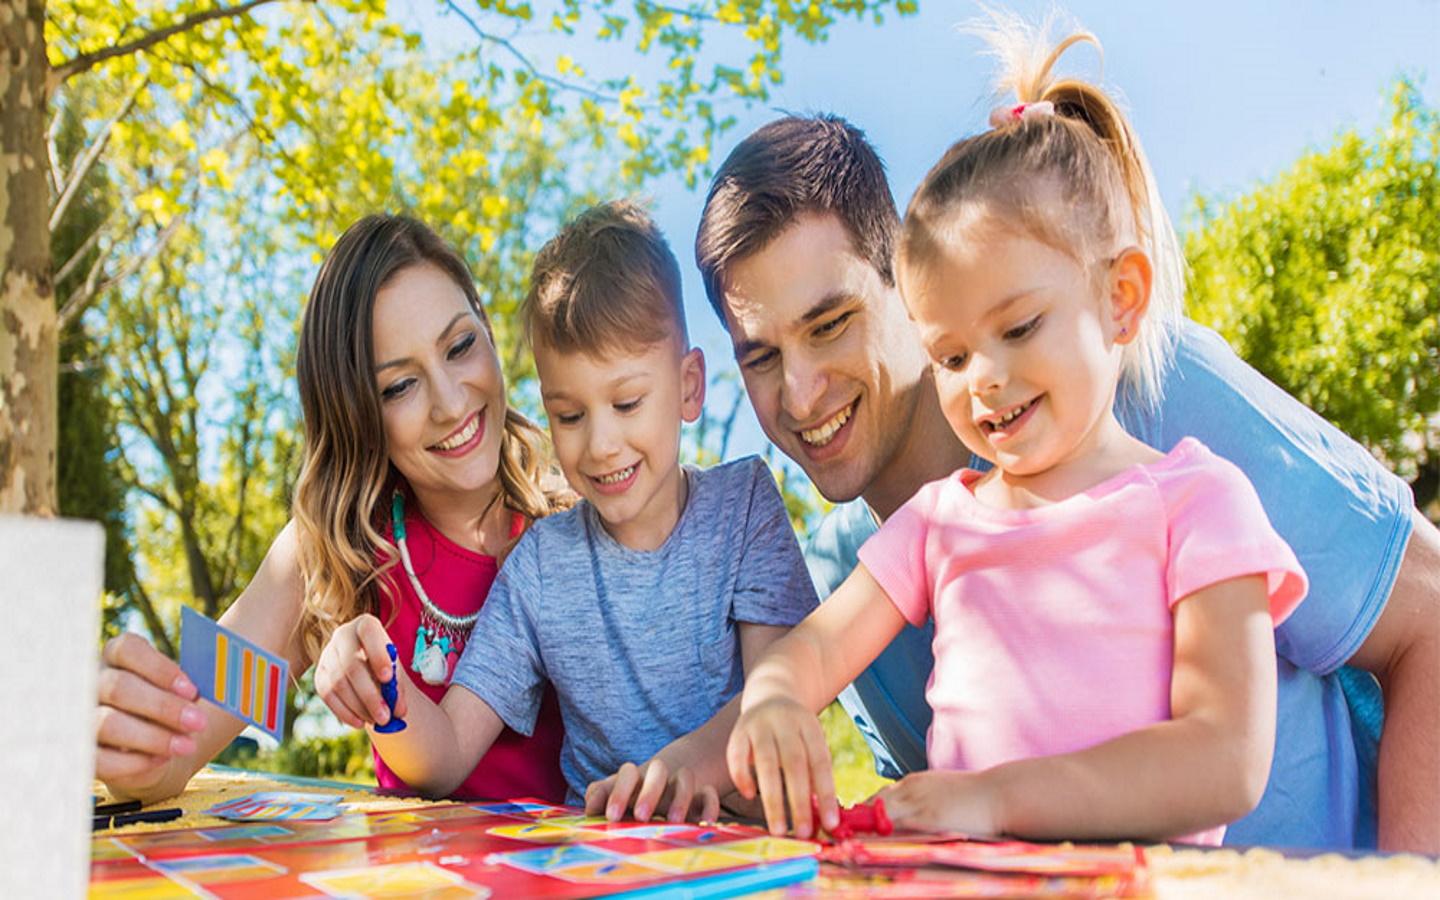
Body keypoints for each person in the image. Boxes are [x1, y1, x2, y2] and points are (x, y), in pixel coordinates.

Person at [695, 14, 1439, 856]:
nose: (985, 378)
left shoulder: (1188, 471)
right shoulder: (921, 531)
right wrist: (772, 707)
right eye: (954, 355)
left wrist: (1405, 886)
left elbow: (1229, 755)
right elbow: (821, 670)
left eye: (1018, 329)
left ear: (1121, 300)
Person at [316, 200, 818, 820]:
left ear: (689, 387)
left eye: (627, 404)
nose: (600, 444)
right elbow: (445, 755)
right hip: (605, 858)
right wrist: (383, 692)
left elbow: (782, 690)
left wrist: (671, 774)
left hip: (755, 848)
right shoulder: (538, 566)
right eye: (570, 415)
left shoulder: (744, 508)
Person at [94, 215, 569, 806]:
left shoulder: (584, 522)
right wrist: (132, 739)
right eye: (399, 386)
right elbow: (177, 743)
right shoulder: (327, 554)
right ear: (356, 412)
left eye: (460, 346)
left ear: (487, 330)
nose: (450, 404)